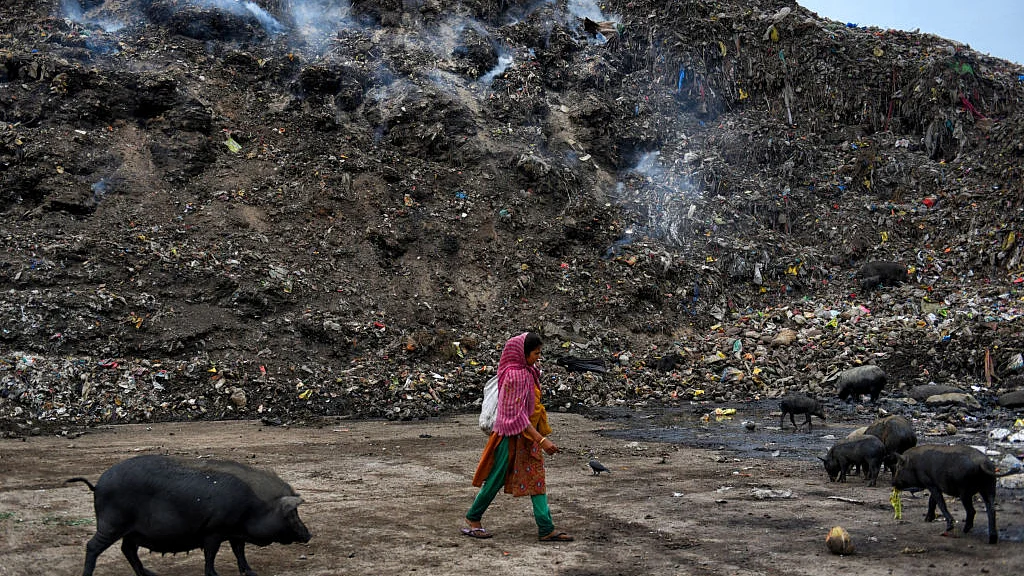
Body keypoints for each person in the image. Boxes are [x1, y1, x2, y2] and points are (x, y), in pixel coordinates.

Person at [462, 332, 574, 542]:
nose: (538, 358)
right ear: (522, 354)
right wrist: (541, 440)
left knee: (536, 479)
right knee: (495, 479)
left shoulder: (528, 371)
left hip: (527, 435)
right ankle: (473, 518)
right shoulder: (515, 375)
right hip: (510, 436)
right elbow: (517, 415)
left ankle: (546, 527)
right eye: (535, 353)